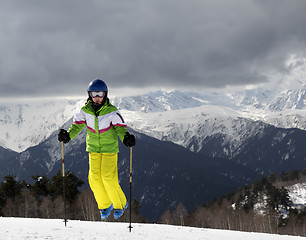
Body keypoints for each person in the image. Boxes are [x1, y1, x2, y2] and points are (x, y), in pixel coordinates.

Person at [58, 79, 136, 220]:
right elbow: (76, 126)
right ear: (89, 95)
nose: (98, 97)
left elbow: (120, 128)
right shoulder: (85, 111)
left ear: (105, 94)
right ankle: (105, 204)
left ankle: (121, 204)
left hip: (109, 149)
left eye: (100, 93)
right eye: (95, 94)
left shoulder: (112, 112)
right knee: (94, 179)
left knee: (108, 177)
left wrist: (126, 138)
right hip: (93, 149)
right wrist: (68, 136)